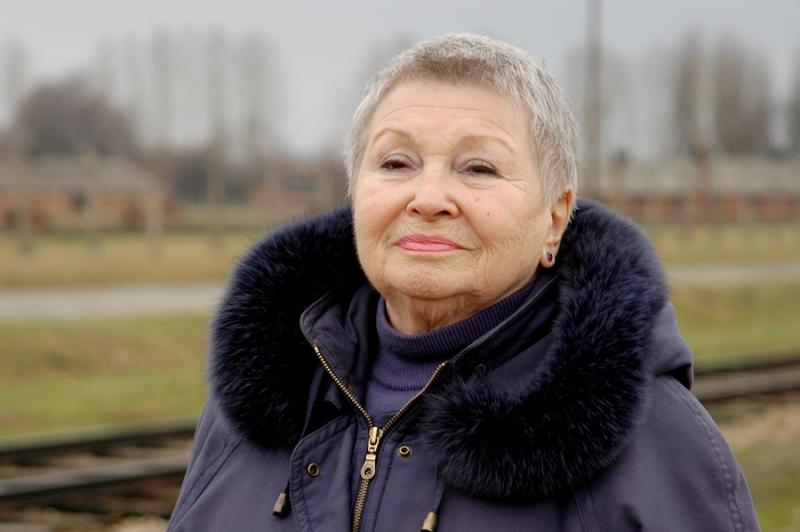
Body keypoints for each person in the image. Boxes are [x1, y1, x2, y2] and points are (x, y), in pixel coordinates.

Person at [168, 33, 759, 531]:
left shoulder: (655, 441)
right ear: (355, 194)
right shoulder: (253, 409)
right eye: (396, 163)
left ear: (555, 216)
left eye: (478, 168)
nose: (428, 199)